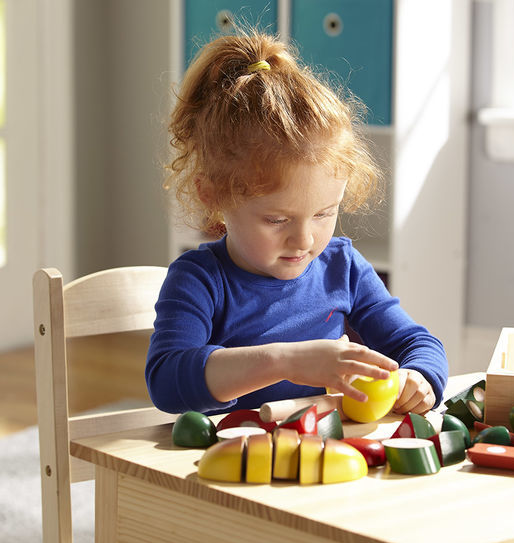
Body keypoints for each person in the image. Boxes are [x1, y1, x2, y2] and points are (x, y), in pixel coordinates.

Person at [146, 30, 448, 417]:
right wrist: (286, 361)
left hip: (322, 459)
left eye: (324, 214)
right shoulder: (199, 280)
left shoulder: (343, 267)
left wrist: (420, 378)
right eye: (277, 219)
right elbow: (167, 382)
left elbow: (417, 343)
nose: (304, 239)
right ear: (213, 195)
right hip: (228, 466)